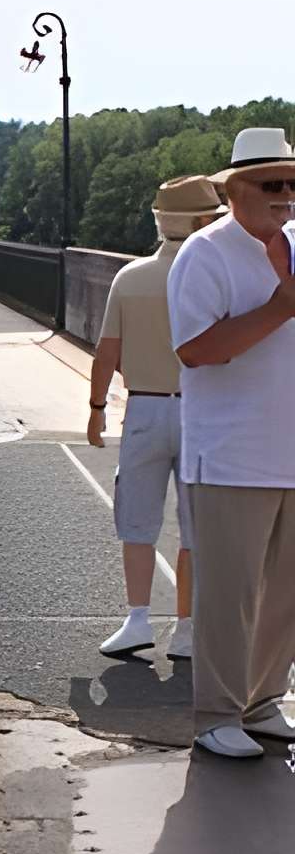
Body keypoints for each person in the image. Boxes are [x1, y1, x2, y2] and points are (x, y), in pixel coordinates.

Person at [167, 127, 295, 758]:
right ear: (233, 189)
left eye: (293, 183)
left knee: (285, 596)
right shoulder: (206, 253)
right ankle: (217, 713)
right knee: (230, 594)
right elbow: (196, 349)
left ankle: (261, 700)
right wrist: (282, 306)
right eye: (272, 183)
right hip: (231, 458)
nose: (286, 195)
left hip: (290, 455)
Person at [89, 176, 220, 660]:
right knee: (194, 526)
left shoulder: (130, 278)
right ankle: (186, 626)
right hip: (199, 410)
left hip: (144, 408)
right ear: (203, 222)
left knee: (136, 520)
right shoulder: (214, 276)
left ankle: (137, 618)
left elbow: (107, 353)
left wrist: (97, 409)